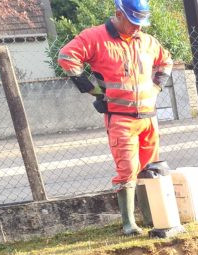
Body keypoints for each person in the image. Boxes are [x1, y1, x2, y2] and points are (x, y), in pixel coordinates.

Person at [58, 0, 173, 236]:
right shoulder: (95, 38)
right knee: (127, 168)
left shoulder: (146, 41)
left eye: (141, 23)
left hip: (148, 118)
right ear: (119, 14)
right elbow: (67, 56)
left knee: (149, 168)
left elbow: (166, 61)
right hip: (120, 119)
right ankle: (129, 223)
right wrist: (92, 90)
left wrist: (157, 87)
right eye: (133, 22)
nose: (138, 28)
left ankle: (152, 217)